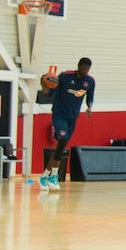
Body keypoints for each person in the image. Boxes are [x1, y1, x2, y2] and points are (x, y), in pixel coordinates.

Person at [38, 57, 95, 191]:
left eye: (88, 69)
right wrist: (44, 83)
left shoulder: (90, 81)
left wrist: (89, 107)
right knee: (62, 140)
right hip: (59, 114)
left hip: (73, 117)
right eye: (84, 68)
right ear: (79, 66)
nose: (86, 71)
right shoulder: (64, 76)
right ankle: (54, 175)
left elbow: (90, 96)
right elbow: (48, 92)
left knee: (61, 146)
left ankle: (45, 175)